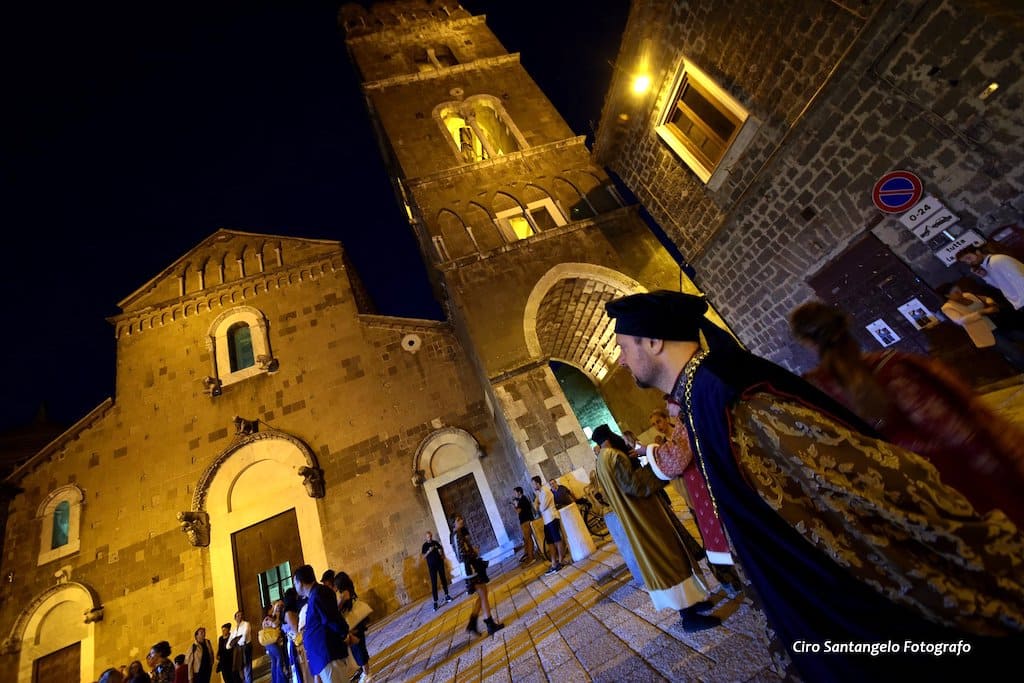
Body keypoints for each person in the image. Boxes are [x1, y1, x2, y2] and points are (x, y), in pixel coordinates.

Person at [606, 289, 1024, 681]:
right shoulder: (699, 396)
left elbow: (861, 478)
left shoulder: (734, 395)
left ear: (654, 342)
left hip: (852, 606)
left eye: (624, 348)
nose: (622, 361)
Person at [791, 301, 1024, 528]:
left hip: (906, 500)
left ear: (805, 342)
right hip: (960, 476)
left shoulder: (813, 393)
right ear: (843, 326)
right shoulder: (896, 366)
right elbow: (957, 429)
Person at [591, 423, 720, 631]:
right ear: (609, 437)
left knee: (671, 554)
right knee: (669, 556)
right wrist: (655, 467)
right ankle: (688, 616)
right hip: (646, 516)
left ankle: (692, 602)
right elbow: (634, 485)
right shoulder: (614, 457)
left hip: (638, 518)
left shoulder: (600, 462)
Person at [645, 404, 742, 598]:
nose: (658, 425)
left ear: (667, 418)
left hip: (704, 490)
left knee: (724, 534)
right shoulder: (663, 441)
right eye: (654, 424)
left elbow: (681, 456)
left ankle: (738, 573)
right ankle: (730, 578)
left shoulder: (678, 433)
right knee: (710, 538)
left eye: (659, 421)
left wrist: (650, 451)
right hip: (691, 497)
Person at [939, 282, 1024, 369]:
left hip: (999, 325)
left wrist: (991, 304)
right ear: (947, 296)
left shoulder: (968, 295)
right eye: (955, 292)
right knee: (1014, 352)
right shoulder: (947, 307)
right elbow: (960, 320)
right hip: (987, 333)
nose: (959, 293)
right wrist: (981, 312)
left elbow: (985, 298)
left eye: (958, 290)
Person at [293, 564, 351, 682]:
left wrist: (345, 634)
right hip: (323, 654)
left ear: (301, 582)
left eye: (295, 583)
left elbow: (331, 618)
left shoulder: (319, 594)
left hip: (328, 653)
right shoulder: (315, 594)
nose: (295, 586)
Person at [450, 514, 504, 636]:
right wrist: (473, 552)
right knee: (483, 592)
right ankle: (489, 623)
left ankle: (473, 623)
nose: (461, 520)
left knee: (483, 592)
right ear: (453, 524)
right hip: (470, 568)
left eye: (461, 518)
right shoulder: (456, 535)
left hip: (471, 566)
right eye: (458, 520)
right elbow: (461, 556)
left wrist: (472, 550)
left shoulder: (459, 534)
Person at [957, 245, 1024, 314]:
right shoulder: (989, 265)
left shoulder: (996, 261)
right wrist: (985, 276)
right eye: (965, 262)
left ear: (978, 252)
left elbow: (1019, 279)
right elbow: (1002, 286)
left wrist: (1021, 303)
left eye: (969, 258)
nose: (969, 262)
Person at [334, 572, 372, 683]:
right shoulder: (349, 589)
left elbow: (338, 609)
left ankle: (367, 674)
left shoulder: (344, 593)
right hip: (357, 623)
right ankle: (366, 673)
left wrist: (339, 602)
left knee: (359, 649)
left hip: (354, 623)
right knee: (360, 648)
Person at [531, 475, 566, 574]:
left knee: (557, 540)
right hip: (546, 520)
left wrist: (537, 503)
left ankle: (561, 560)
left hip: (552, 518)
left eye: (533, 484)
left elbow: (541, 508)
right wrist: (537, 503)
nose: (533, 486)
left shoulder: (546, 492)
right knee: (550, 542)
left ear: (538, 483)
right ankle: (554, 563)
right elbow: (537, 508)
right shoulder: (540, 493)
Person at [280, 588, 307, 683]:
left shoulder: (291, 611)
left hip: (296, 641)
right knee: (300, 669)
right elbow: (296, 631)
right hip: (295, 643)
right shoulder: (289, 613)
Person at [421, 530, 452, 609]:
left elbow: (441, 550)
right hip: (432, 567)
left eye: (430, 536)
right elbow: (423, 557)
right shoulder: (424, 546)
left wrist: (441, 553)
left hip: (439, 564)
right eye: (428, 537)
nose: (430, 538)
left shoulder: (435, 543)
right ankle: (435, 602)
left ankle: (447, 595)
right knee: (434, 583)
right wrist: (429, 551)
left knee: (443, 579)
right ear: (426, 537)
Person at [512, 486, 540, 563]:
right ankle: (528, 555)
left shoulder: (522, 500)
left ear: (519, 492)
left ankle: (531, 557)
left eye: (515, 492)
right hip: (525, 521)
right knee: (526, 539)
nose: (514, 494)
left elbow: (518, 511)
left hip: (526, 521)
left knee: (528, 539)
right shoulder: (522, 499)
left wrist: (515, 505)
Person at [261, 602, 287, 683]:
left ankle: (275, 680)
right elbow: (275, 625)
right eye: (272, 608)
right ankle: (281, 679)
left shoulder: (266, 619)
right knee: (279, 658)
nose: (273, 609)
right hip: (271, 642)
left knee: (274, 660)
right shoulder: (268, 619)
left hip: (268, 643)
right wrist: (278, 616)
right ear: (268, 610)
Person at [228, 611, 252, 683]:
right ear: (235, 618)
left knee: (247, 668)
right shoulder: (234, 629)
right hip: (237, 650)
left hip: (245, 648)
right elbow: (228, 644)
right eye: (237, 616)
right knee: (240, 669)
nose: (239, 617)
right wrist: (235, 640)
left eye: (241, 615)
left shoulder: (246, 624)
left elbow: (244, 637)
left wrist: (235, 640)